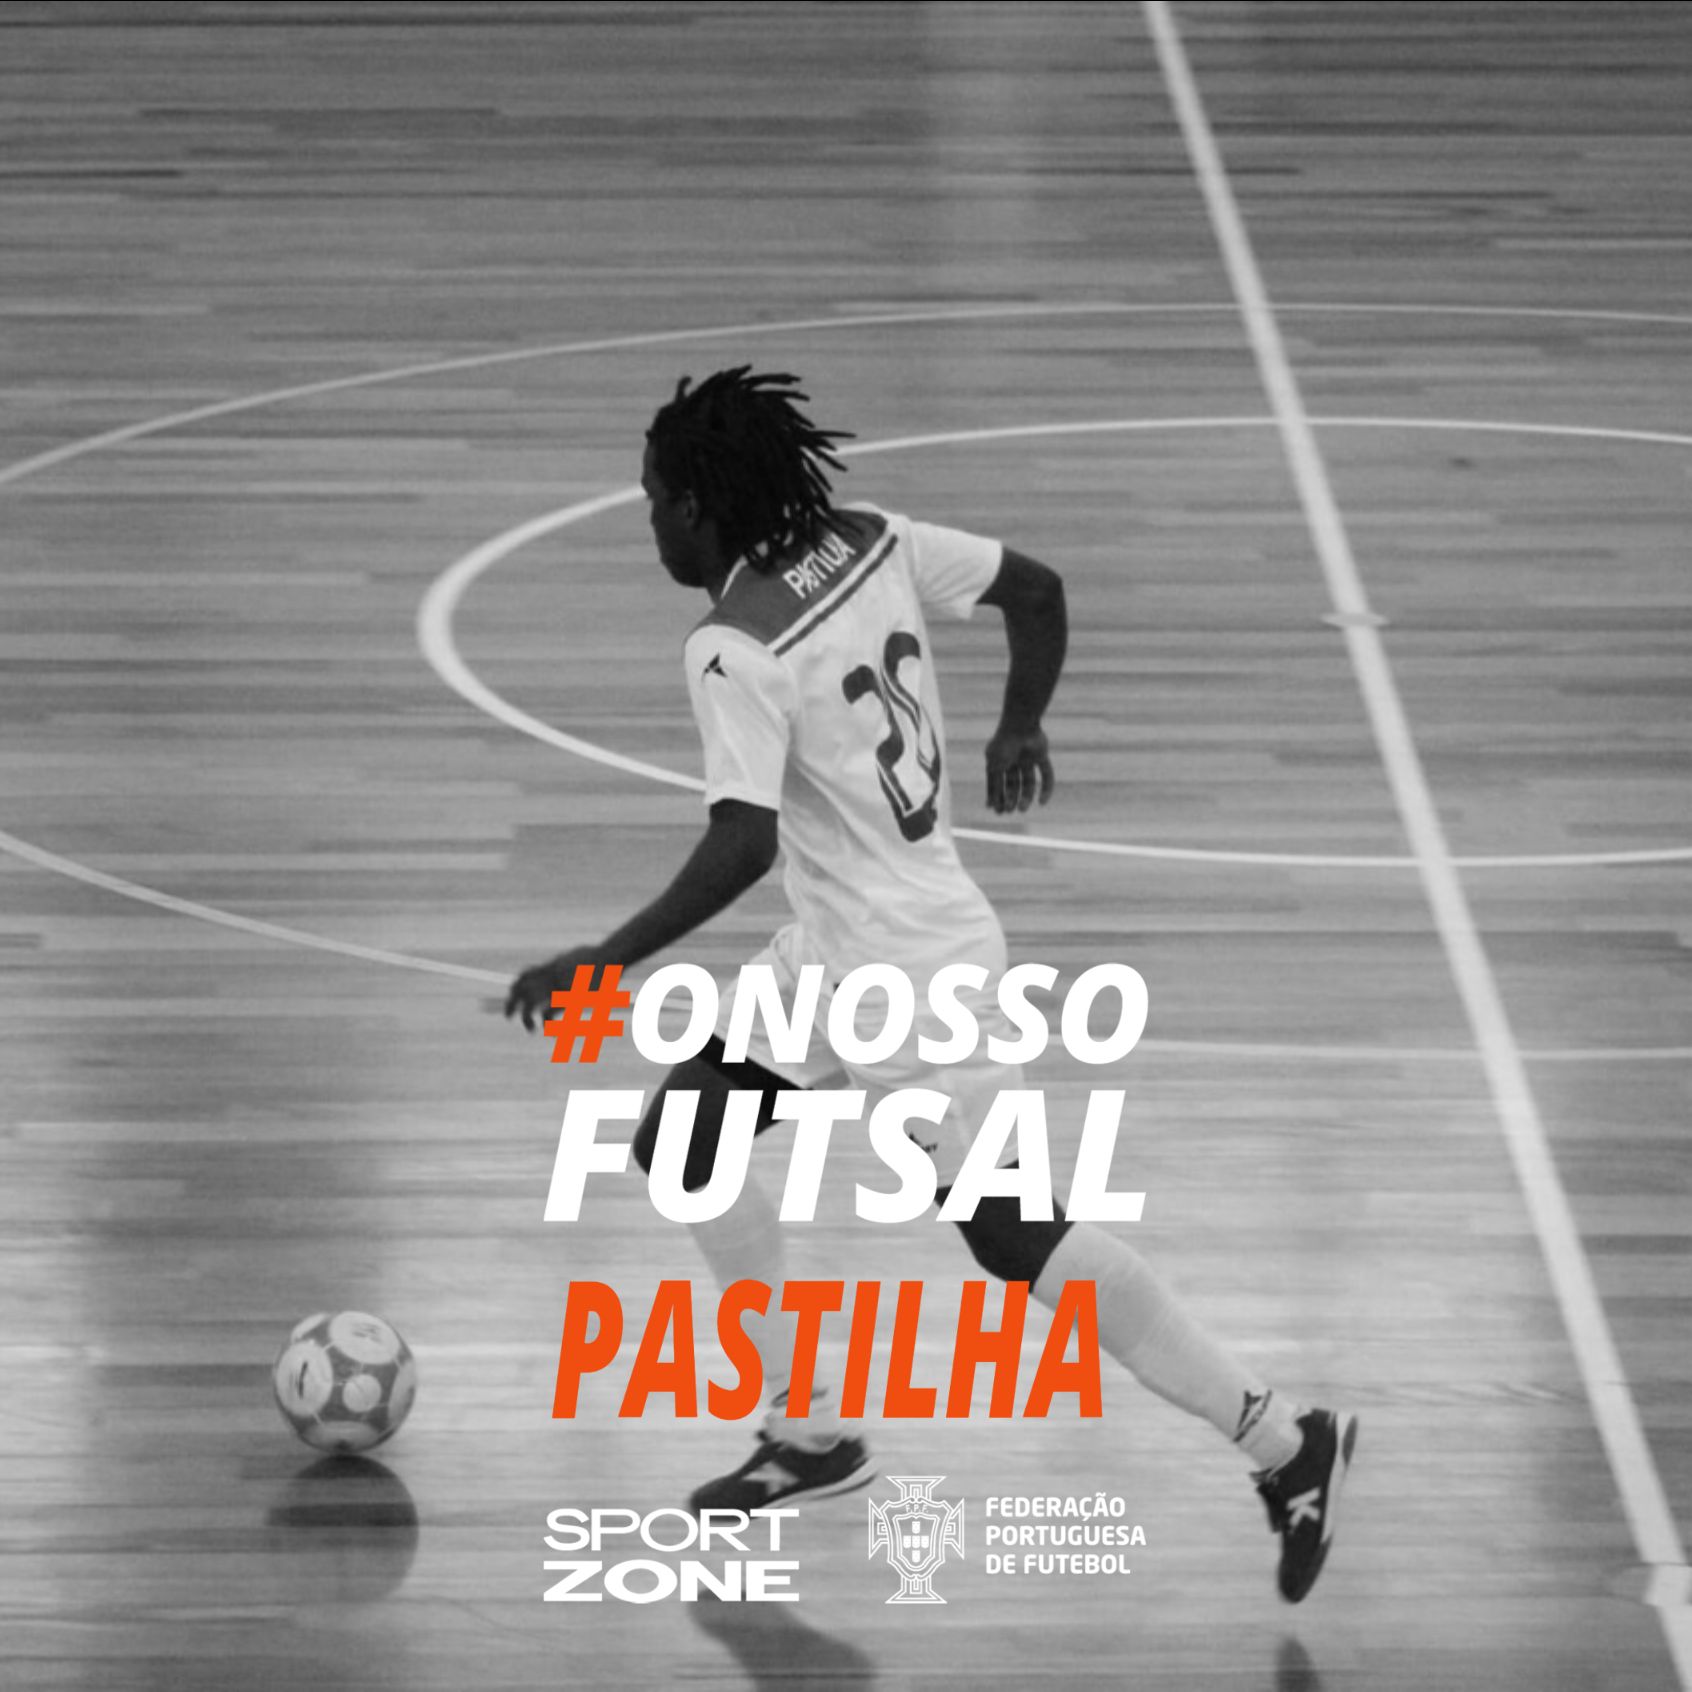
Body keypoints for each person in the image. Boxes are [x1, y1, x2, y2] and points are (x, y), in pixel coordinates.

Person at [506, 367, 1357, 1603]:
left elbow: (742, 843)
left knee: (1012, 1238)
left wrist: (604, 960)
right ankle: (809, 1433)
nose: (647, 523)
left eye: (651, 500)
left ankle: (1283, 1439)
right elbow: (1038, 591)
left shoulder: (731, 645)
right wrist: (1023, 724)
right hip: (841, 946)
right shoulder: (869, 538)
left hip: (912, 969)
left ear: (696, 506)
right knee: (686, 1140)